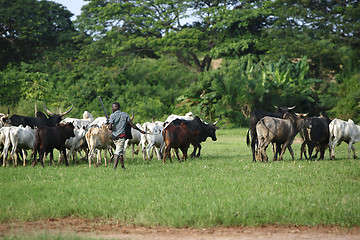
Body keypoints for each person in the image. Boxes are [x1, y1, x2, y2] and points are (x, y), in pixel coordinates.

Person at [108, 102, 145, 170]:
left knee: (119, 151)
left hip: (115, 137)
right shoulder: (125, 115)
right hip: (121, 136)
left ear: (116, 108)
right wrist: (140, 130)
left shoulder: (112, 116)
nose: (112, 109)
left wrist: (109, 126)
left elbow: (110, 127)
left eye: (113, 107)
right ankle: (115, 168)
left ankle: (119, 167)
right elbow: (132, 125)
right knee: (119, 152)